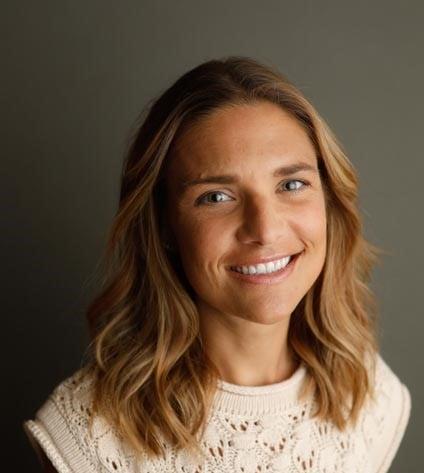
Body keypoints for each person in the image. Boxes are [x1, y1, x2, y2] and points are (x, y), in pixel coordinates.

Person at [23, 56, 411, 473]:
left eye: (291, 184)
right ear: (164, 226)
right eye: (216, 197)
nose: (265, 229)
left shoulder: (370, 397)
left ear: (328, 201)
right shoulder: (87, 437)